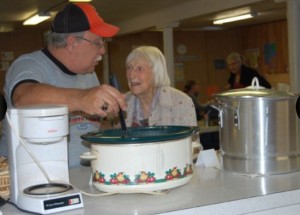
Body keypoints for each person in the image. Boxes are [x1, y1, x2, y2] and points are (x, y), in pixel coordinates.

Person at [0, 3, 127, 167]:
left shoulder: (89, 75)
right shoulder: (29, 65)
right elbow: (23, 97)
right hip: (32, 181)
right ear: (72, 42)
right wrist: (82, 98)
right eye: (98, 42)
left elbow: (85, 127)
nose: (102, 50)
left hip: (82, 178)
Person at [124, 46, 202, 158]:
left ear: (156, 71)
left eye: (140, 68)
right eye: (129, 67)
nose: (131, 75)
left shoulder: (181, 102)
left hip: (171, 171)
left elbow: (194, 148)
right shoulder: (122, 102)